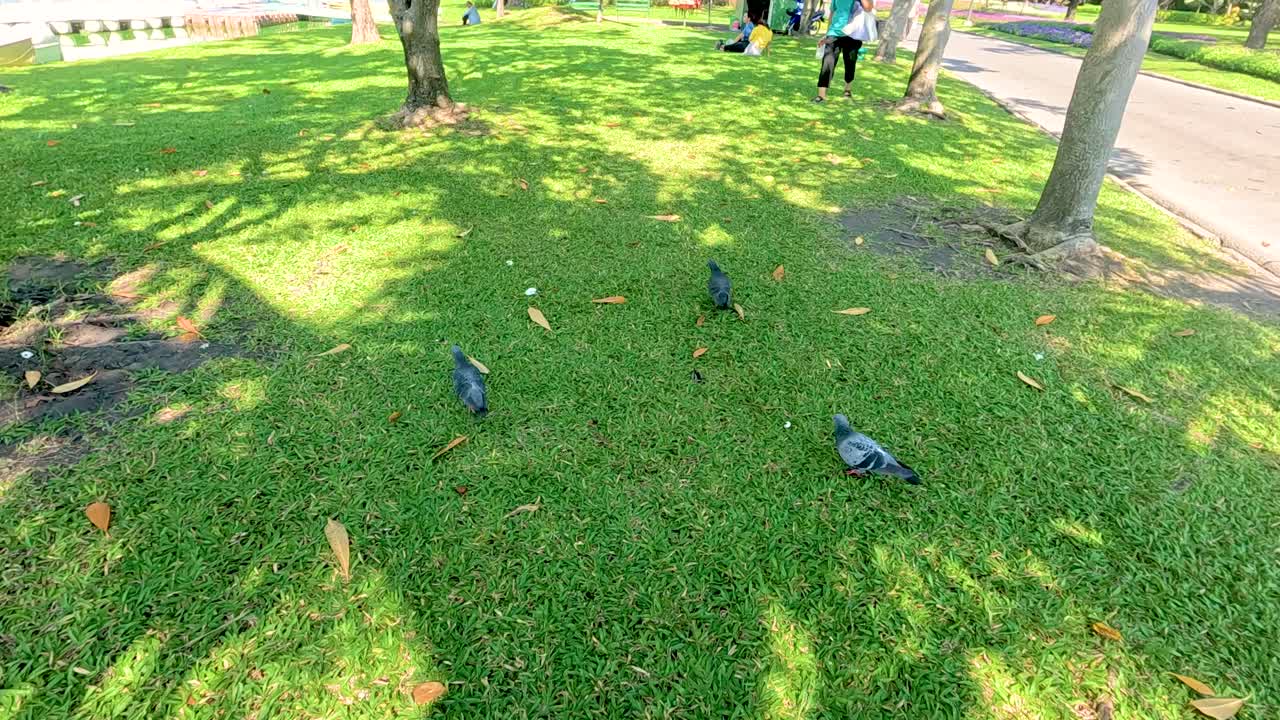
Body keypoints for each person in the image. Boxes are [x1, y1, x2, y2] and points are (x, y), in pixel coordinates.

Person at [813, 0, 873, 102]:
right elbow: (832, 13)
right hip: (834, 34)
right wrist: (827, 34)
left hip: (853, 34)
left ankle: (847, 89)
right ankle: (821, 95)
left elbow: (869, 8)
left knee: (850, 62)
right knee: (827, 63)